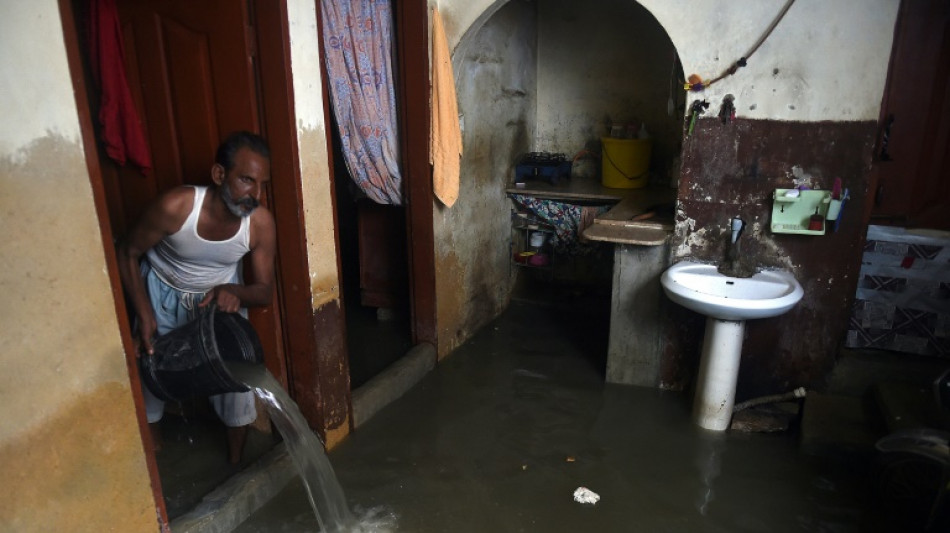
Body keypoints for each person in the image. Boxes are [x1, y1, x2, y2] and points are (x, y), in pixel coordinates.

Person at [117, 131, 277, 464]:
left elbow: (264, 291)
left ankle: (236, 466)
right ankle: (156, 458)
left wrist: (235, 292)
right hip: (162, 293)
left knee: (237, 382)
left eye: (262, 184)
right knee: (150, 373)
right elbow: (127, 253)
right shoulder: (177, 207)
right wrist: (144, 314)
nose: (256, 194)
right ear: (219, 175)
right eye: (247, 180)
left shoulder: (259, 224)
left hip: (219, 300)